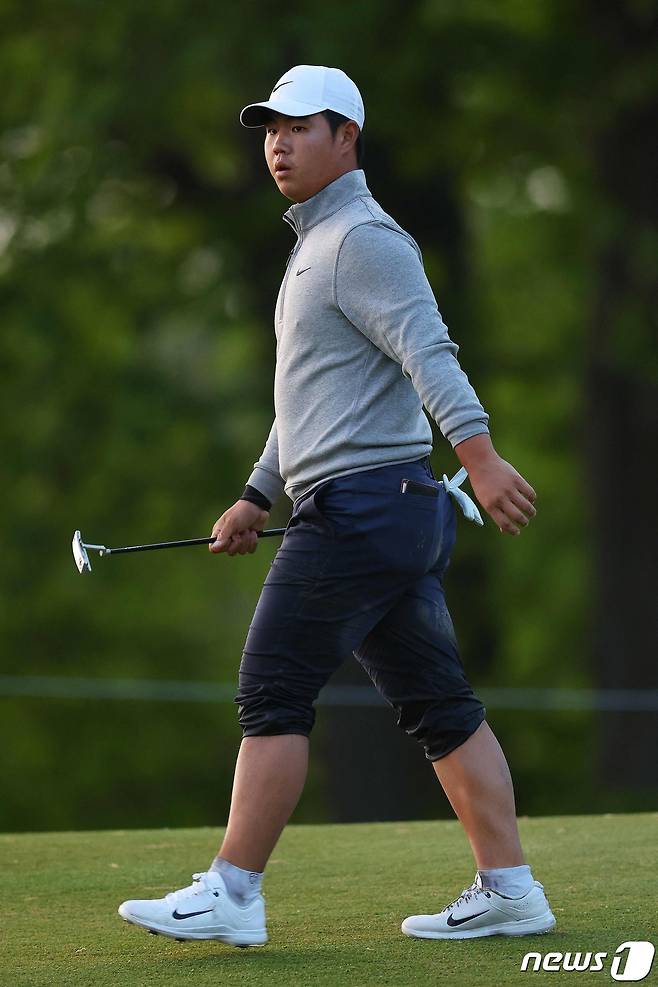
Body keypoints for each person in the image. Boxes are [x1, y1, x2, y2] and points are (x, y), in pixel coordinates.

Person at [118, 64, 556, 946]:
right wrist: (255, 493)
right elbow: (307, 402)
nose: (276, 143)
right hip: (380, 507)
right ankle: (511, 888)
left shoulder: (362, 240)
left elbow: (430, 350)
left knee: (271, 686)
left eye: (298, 126)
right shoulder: (315, 246)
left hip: (362, 508)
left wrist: (481, 456)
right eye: (268, 129)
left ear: (346, 137)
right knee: (441, 704)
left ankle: (233, 893)